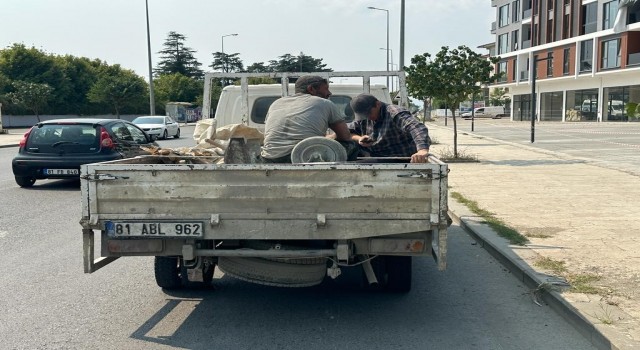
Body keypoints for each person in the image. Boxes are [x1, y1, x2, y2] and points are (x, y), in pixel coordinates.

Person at [260, 75, 355, 163]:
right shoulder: (325, 103)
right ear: (311, 89)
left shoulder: (276, 103)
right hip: (302, 157)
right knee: (351, 145)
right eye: (326, 89)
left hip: (269, 158)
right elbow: (345, 137)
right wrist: (330, 138)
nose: (329, 93)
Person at [348, 93, 430, 163]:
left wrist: (422, 150)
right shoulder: (363, 118)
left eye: (369, 113)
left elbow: (416, 127)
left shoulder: (394, 112)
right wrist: (359, 138)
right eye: (364, 115)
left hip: (400, 159)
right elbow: (347, 132)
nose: (368, 117)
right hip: (376, 157)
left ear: (377, 104)